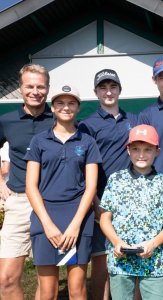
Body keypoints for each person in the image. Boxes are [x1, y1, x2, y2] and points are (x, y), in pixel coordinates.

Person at [24, 85, 101, 299]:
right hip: (45, 217)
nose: (65, 107)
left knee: (77, 289)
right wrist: (48, 226)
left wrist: (76, 225)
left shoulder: (88, 142)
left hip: (78, 218)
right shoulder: (39, 141)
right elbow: (31, 186)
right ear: (53, 107)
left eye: (71, 103)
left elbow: (91, 186)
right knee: (48, 291)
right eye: (60, 102)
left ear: (78, 107)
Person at [78, 68, 138, 299]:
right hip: (101, 200)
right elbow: (83, 168)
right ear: (96, 92)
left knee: (131, 257)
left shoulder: (133, 119)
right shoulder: (88, 125)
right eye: (103, 87)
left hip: (132, 200)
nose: (108, 91)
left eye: (112, 86)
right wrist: (94, 202)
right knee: (102, 260)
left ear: (119, 89)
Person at [0, 64, 55, 300]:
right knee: (6, 280)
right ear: (21, 89)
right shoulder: (6, 121)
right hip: (19, 202)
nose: (35, 91)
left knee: (47, 283)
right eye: (30, 86)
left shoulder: (58, 119)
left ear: (48, 88)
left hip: (50, 203)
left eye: (40, 86)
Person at [99, 124, 163, 300]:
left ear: (157, 151)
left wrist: (153, 244)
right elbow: (104, 218)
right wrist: (116, 242)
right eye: (136, 149)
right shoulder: (116, 180)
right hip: (120, 260)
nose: (141, 154)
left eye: (148, 149)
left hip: (153, 260)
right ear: (128, 150)